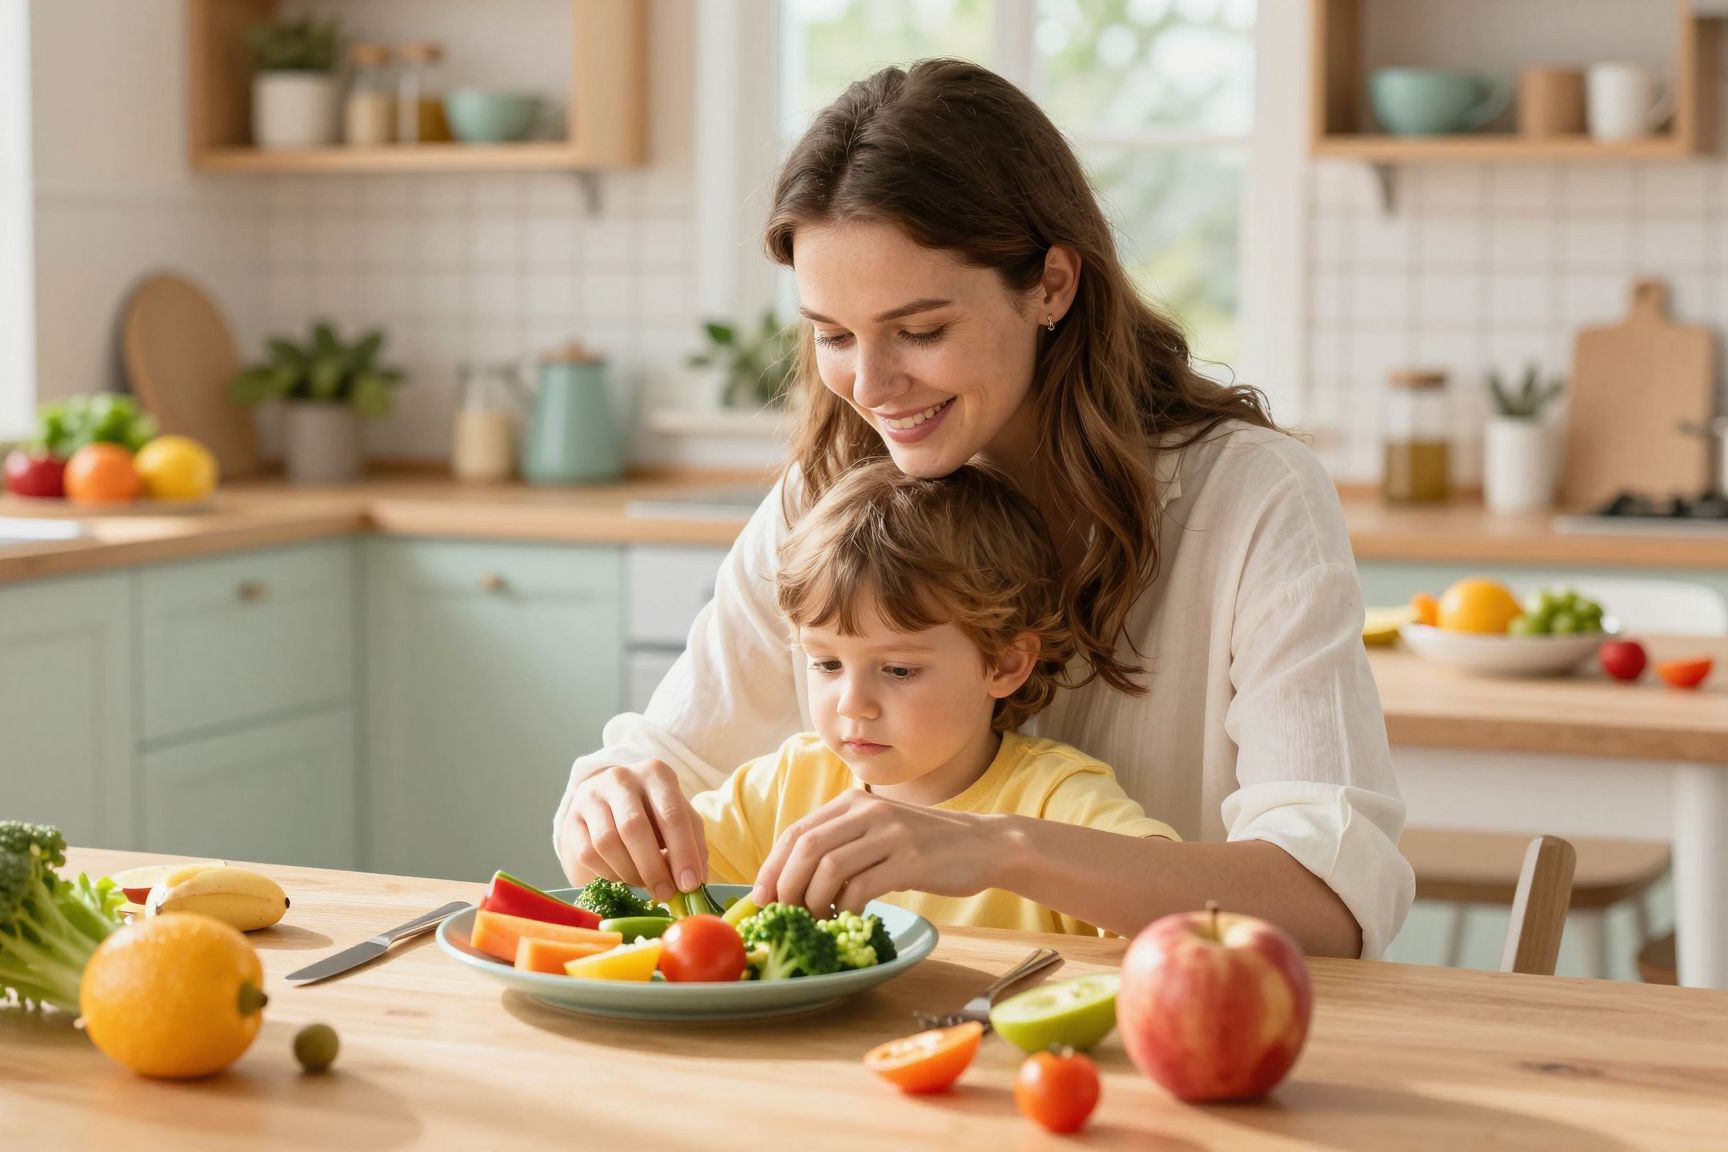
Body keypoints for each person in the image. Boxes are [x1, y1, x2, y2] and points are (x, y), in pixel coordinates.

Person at [555, 58, 1413, 958]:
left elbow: (1329, 906)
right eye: (835, 336)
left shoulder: (1251, 497)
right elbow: (671, 762)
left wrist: (996, 849)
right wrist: (610, 800)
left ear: (1051, 284)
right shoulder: (831, 494)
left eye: (921, 331)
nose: (873, 387)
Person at [695, 458, 1180, 935]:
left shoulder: (1056, 798)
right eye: (826, 664)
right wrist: (628, 815)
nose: (851, 703)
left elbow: (1181, 911)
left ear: (1006, 663)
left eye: (899, 669)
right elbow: (653, 872)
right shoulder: (786, 783)